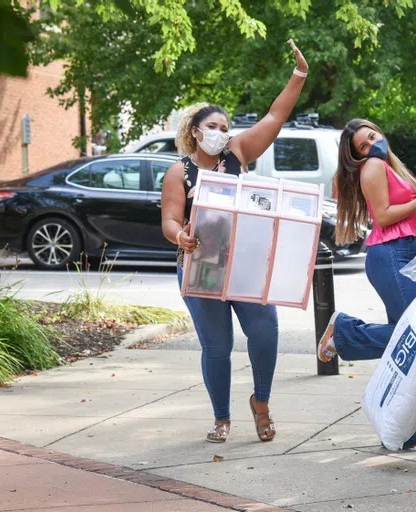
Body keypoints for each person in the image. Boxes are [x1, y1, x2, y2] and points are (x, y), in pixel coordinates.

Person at [160, 39, 309, 444]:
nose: (221, 133)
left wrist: (299, 75)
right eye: (213, 127)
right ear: (195, 131)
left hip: (245, 261)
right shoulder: (178, 172)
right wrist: (182, 236)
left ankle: (261, 402)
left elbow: (276, 116)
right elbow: (170, 221)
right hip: (200, 264)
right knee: (217, 346)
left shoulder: (238, 153)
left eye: (225, 127)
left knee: (265, 333)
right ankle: (221, 417)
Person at [317, 119, 416, 451]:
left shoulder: (392, 167)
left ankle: (400, 430)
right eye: (363, 146)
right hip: (392, 256)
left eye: (372, 137)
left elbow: (405, 215)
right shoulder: (373, 167)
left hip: (406, 253)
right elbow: (385, 215)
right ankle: (344, 331)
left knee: (406, 348)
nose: (372, 145)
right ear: (359, 156)